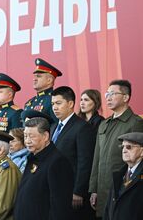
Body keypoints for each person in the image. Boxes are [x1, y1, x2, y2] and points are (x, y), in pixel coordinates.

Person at [89, 79, 143, 218]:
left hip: (124, 188)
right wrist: (94, 189)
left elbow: (137, 159)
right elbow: (97, 157)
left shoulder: (136, 122)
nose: (108, 97)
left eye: (113, 93)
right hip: (102, 189)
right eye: (107, 94)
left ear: (125, 97)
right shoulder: (104, 124)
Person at [14, 117, 74, 220]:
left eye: (32, 136)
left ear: (46, 136)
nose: (27, 141)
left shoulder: (57, 162)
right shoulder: (32, 157)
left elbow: (59, 207)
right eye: (25, 136)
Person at [51, 86, 96, 218]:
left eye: (58, 103)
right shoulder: (53, 127)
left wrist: (78, 191)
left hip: (72, 192)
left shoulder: (82, 127)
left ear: (70, 104)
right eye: (53, 104)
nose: (54, 107)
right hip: (54, 189)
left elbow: (85, 162)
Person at [104, 132, 143, 220]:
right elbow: (108, 209)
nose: (124, 150)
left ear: (142, 151)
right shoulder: (118, 174)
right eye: (122, 146)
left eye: (129, 147)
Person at [25, 58, 61, 123]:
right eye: (34, 76)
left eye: (38, 76)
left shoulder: (53, 100)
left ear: (49, 80)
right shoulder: (29, 102)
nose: (34, 79)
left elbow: (57, 126)